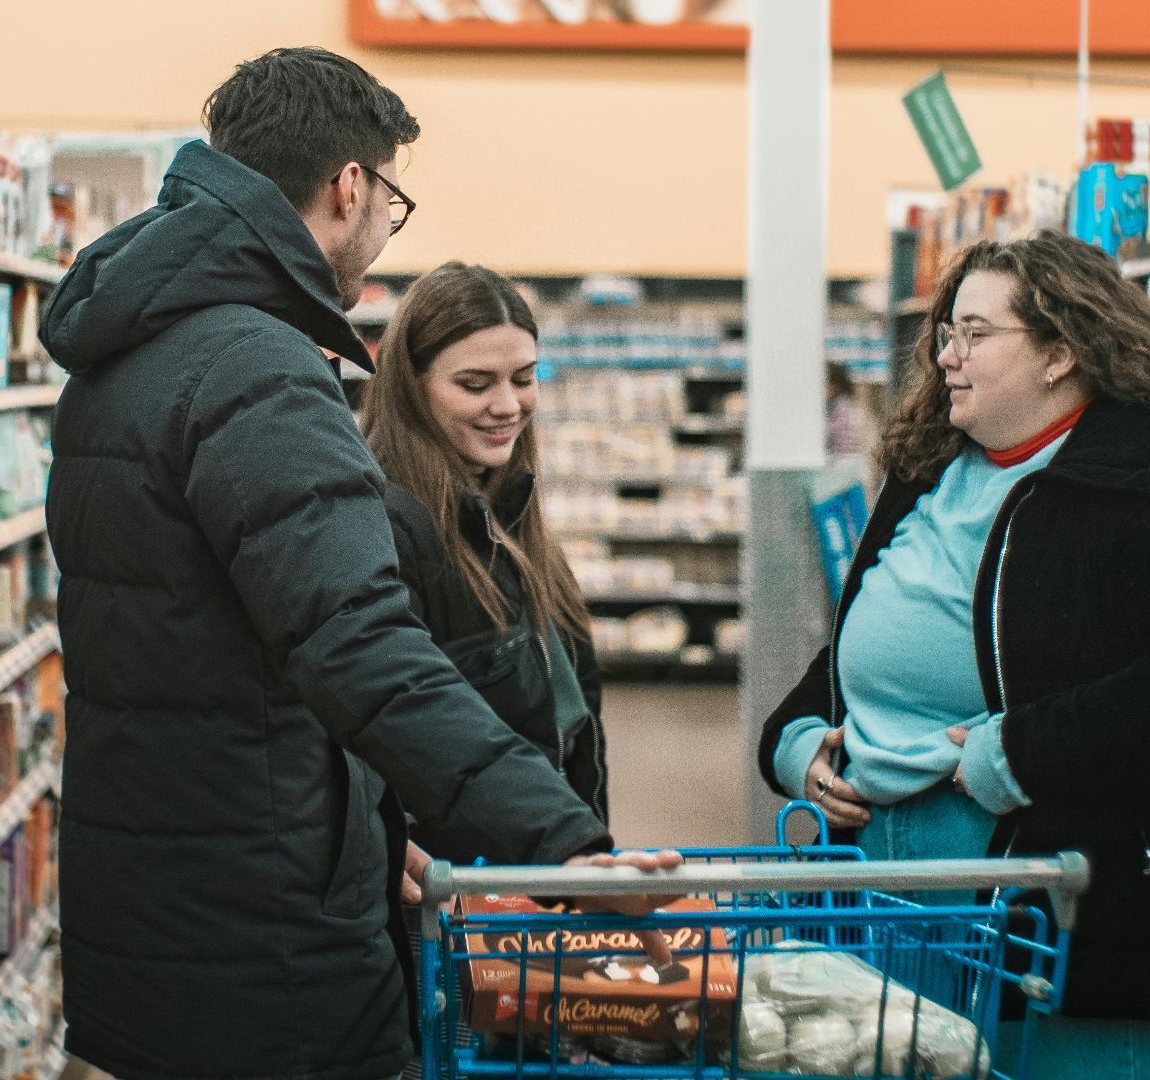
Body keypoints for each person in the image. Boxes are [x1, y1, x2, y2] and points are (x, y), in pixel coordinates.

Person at [40, 48, 675, 1080]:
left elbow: (216, 651)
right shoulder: (259, 368)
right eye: (392, 200)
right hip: (269, 931)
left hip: (157, 893)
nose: (386, 228)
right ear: (352, 186)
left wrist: (377, 836)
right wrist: (570, 850)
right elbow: (361, 646)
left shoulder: (128, 351)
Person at [756, 230, 1150, 1078]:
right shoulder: (929, 467)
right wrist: (797, 737)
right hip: (886, 900)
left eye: (977, 334)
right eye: (945, 335)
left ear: (1061, 353)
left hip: (1062, 907)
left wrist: (1021, 752)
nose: (948, 358)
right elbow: (866, 639)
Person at [361, 262, 608, 870]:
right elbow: (396, 725)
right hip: (462, 889)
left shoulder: (510, 508)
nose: (508, 406)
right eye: (475, 384)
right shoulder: (386, 526)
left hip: (538, 868)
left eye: (524, 379)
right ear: (411, 388)